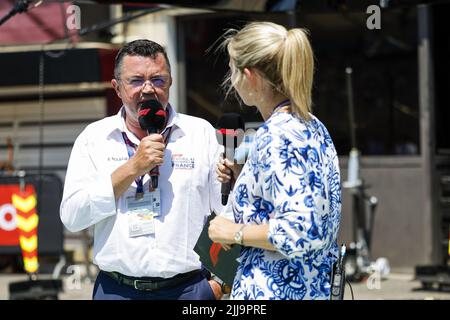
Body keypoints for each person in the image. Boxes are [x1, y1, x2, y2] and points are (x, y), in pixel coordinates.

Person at [60, 39, 224, 300]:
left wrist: (219, 284)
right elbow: (72, 217)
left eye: (158, 80)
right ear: (117, 88)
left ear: (170, 82)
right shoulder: (94, 138)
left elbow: (229, 211)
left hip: (189, 290)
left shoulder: (201, 134)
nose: (148, 89)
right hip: (116, 290)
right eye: (136, 80)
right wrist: (131, 168)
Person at [208, 22, 342, 300]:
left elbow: (300, 231)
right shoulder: (312, 125)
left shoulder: (277, 135)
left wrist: (234, 232)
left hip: (275, 290)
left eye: (233, 70)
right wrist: (245, 180)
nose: (231, 81)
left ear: (250, 76)